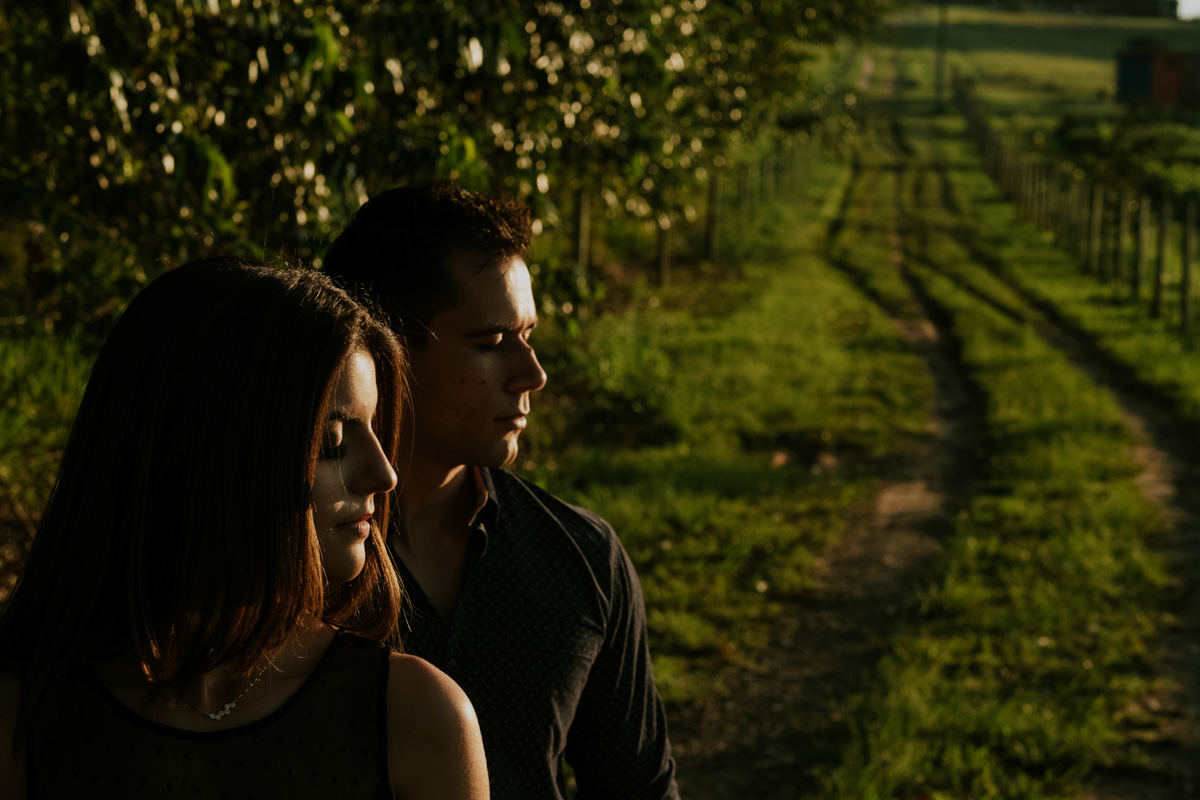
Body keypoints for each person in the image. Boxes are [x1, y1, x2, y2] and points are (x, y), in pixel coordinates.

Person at [0, 259, 489, 800]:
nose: (385, 473)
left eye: (375, 431)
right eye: (332, 441)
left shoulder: (412, 718)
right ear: (208, 454)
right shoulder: (23, 719)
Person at [323, 183, 679, 800]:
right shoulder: (292, 569)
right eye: (490, 343)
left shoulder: (580, 559)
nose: (531, 373)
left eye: (528, 335)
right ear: (384, 352)